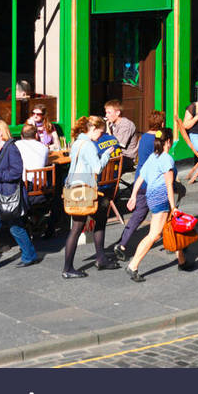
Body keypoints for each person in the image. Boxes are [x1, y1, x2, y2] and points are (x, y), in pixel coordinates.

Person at [125, 129, 190, 282]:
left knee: (173, 226)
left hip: (151, 196)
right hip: (161, 198)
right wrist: (173, 207)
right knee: (154, 235)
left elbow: (140, 177)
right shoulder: (167, 159)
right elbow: (169, 185)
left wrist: (133, 195)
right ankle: (133, 266)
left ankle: (182, 261)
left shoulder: (153, 157)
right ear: (168, 141)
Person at [0, 117, 40, 272]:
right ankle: (30, 254)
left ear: (1, 133)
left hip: (6, 196)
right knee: (14, 227)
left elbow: (16, 172)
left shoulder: (11, 148)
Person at [61, 116, 120, 278]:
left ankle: (100, 258)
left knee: (98, 219)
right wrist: (107, 154)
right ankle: (68, 268)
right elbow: (97, 168)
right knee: (78, 228)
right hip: (84, 190)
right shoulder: (89, 146)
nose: (101, 136)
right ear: (93, 129)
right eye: (100, 133)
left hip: (74, 187)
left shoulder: (77, 143)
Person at [114, 110, 166, 261]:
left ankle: (122, 244)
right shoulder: (157, 140)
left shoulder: (143, 138)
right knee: (164, 212)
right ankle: (173, 242)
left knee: (138, 215)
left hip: (140, 179)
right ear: (162, 124)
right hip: (153, 181)